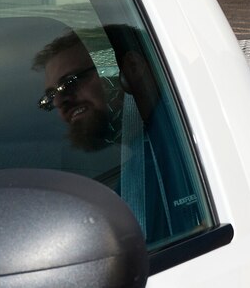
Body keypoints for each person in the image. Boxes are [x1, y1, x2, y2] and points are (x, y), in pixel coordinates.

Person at [34, 25, 201, 243]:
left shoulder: (187, 147)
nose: (59, 102)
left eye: (70, 82)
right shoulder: (141, 159)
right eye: (50, 97)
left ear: (131, 69)